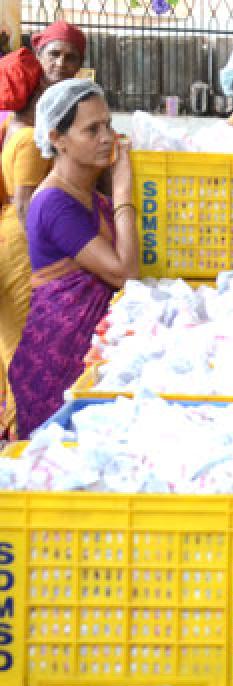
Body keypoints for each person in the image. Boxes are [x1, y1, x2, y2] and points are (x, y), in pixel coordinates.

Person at [9, 79, 137, 437]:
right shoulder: (54, 203)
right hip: (58, 358)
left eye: (108, 125)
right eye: (92, 129)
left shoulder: (89, 195)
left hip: (85, 355)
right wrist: (124, 190)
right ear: (57, 139)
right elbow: (124, 272)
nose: (107, 137)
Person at [0, 48, 47, 438]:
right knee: (23, 348)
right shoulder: (30, 138)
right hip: (21, 248)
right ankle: (20, 432)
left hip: (9, 242)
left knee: (9, 342)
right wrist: (46, 262)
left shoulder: (11, 128)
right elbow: (25, 206)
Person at [31, 21, 85, 86]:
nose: (60, 64)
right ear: (38, 56)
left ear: (80, 64)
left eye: (70, 58)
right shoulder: (20, 91)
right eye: (54, 54)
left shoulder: (86, 94)